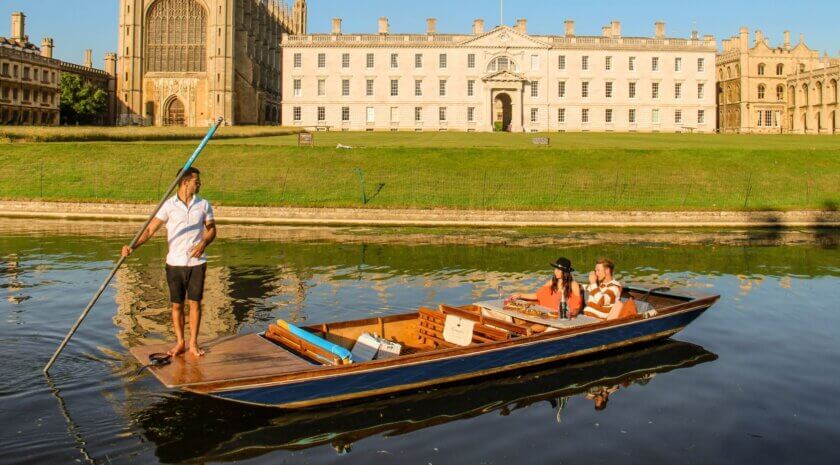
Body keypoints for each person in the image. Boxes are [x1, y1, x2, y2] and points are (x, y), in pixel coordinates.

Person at [121, 167, 216, 357]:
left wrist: (204, 241)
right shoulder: (168, 205)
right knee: (176, 305)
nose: (199, 184)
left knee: (195, 303)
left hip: (197, 263)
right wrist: (133, 247)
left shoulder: (204, 204)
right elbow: (149, 230)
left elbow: (212, 229)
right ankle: (180, 342)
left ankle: (193, 344)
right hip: (175, 263)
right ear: (185, 182)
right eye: (196, 181)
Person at [509, 257, 583, 317]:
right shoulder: (552, 282)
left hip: (563, 317)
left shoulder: (573, 284)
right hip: (548, 314)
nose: (555, 271)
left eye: (558, 270)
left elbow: (577, 305)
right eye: (555, 269)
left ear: (565, 272)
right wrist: (520, 295)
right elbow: (538, 295)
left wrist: (572, 313)